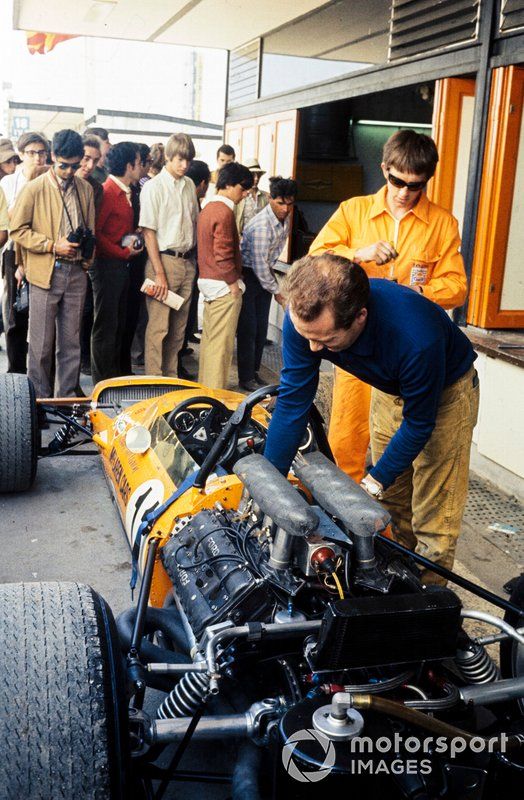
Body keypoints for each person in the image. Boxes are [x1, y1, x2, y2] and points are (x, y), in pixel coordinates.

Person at [264, 253, 478, 584]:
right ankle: (400, 578)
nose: (312, 348)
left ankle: (428, 605)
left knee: (434, 516)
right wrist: (269, 483)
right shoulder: (306, 318)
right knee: (393, 504)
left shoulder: (415, 337)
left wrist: (371, 483)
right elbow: (293, 402)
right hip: (389, 387)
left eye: (326, 340)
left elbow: (419, 423)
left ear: (360, 317)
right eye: (307, 335)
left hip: (446, 395)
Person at [310, 130, 467, 483]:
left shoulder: (443, 224)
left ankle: (390, 528)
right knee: (346, 437)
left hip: (409, 353)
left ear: (427, 180)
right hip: (355, 344)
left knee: (404, 445)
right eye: (397, 181)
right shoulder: (354, 211)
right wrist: (357, 255)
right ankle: (347, 518)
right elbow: (314, 259)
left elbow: (457, 287)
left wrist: (416, 293)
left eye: (416, 185)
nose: (404, 192)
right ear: (384, 169)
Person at [9, 129, 95, 398]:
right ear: (53, 157)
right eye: (63, 165)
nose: (69, 171)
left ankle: (65, 398)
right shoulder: (34, 188)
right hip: (45, 273)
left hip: (76, 273)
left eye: (74, 165)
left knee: (71, 343)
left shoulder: (86, 189)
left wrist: (85, 262)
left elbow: (90, 229)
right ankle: (40, 402)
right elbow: (17, 230)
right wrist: (51, 245)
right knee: (41, 345)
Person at [139, 133, 199, 376]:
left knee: (178, 331)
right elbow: (148, 232)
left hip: (187, 262)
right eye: (179, 159)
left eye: (188, 160)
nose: (184, 165)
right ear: (167, 157)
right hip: (162, 261)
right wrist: (159, 274)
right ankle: (153, 382)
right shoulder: (154, 187)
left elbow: (195, 223)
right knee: (158, 329)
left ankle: (171, 379)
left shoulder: (190, 185)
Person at [237, 176, 297, 391]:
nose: (285, 208)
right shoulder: (262, 225)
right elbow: (260, 264)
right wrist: (278, 292)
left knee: (261, 329)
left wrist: (273, 286)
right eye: (280, 203)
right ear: (270, 198)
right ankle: (245, 378)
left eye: (289, 203)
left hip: (265, 274)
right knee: (249, 329)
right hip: (249, 276)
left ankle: (253, 372)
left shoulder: (286, 218)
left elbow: (270, 259)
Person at [197, 162, 253, 390]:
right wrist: (233, 284)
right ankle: (214, 398)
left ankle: (204, 390)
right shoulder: (225, 211)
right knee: (221, 348)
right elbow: (224, 254)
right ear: (228, 185)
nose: (246, 192)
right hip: (223, 285)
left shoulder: (207, 207)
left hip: (207, 280)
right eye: (243, 187)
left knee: (210, 343)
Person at [91, 142, 143, 384]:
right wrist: (121, 252)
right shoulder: (109, 191)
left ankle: (115, 377)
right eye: (139, 163)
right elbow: (97, 233)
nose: (142, 168)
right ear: (129, 165)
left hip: (121, 266)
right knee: (106, 326)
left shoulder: (127, 191)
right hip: (107, 266)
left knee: (118, 323)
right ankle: (103, 381)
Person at [178, 159, 211, 380]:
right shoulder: (189, 201)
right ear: (202, 184)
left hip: (190, 264)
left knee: (183, 319)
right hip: (184, 263)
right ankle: (176, 363)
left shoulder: (191, 200)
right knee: (177, 321)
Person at [235, 158, 269, 235]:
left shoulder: (266, 197)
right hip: (242, 241)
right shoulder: (238, 196)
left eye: (258, 175)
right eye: (253, 175)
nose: (256, 178)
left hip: (260, 241)